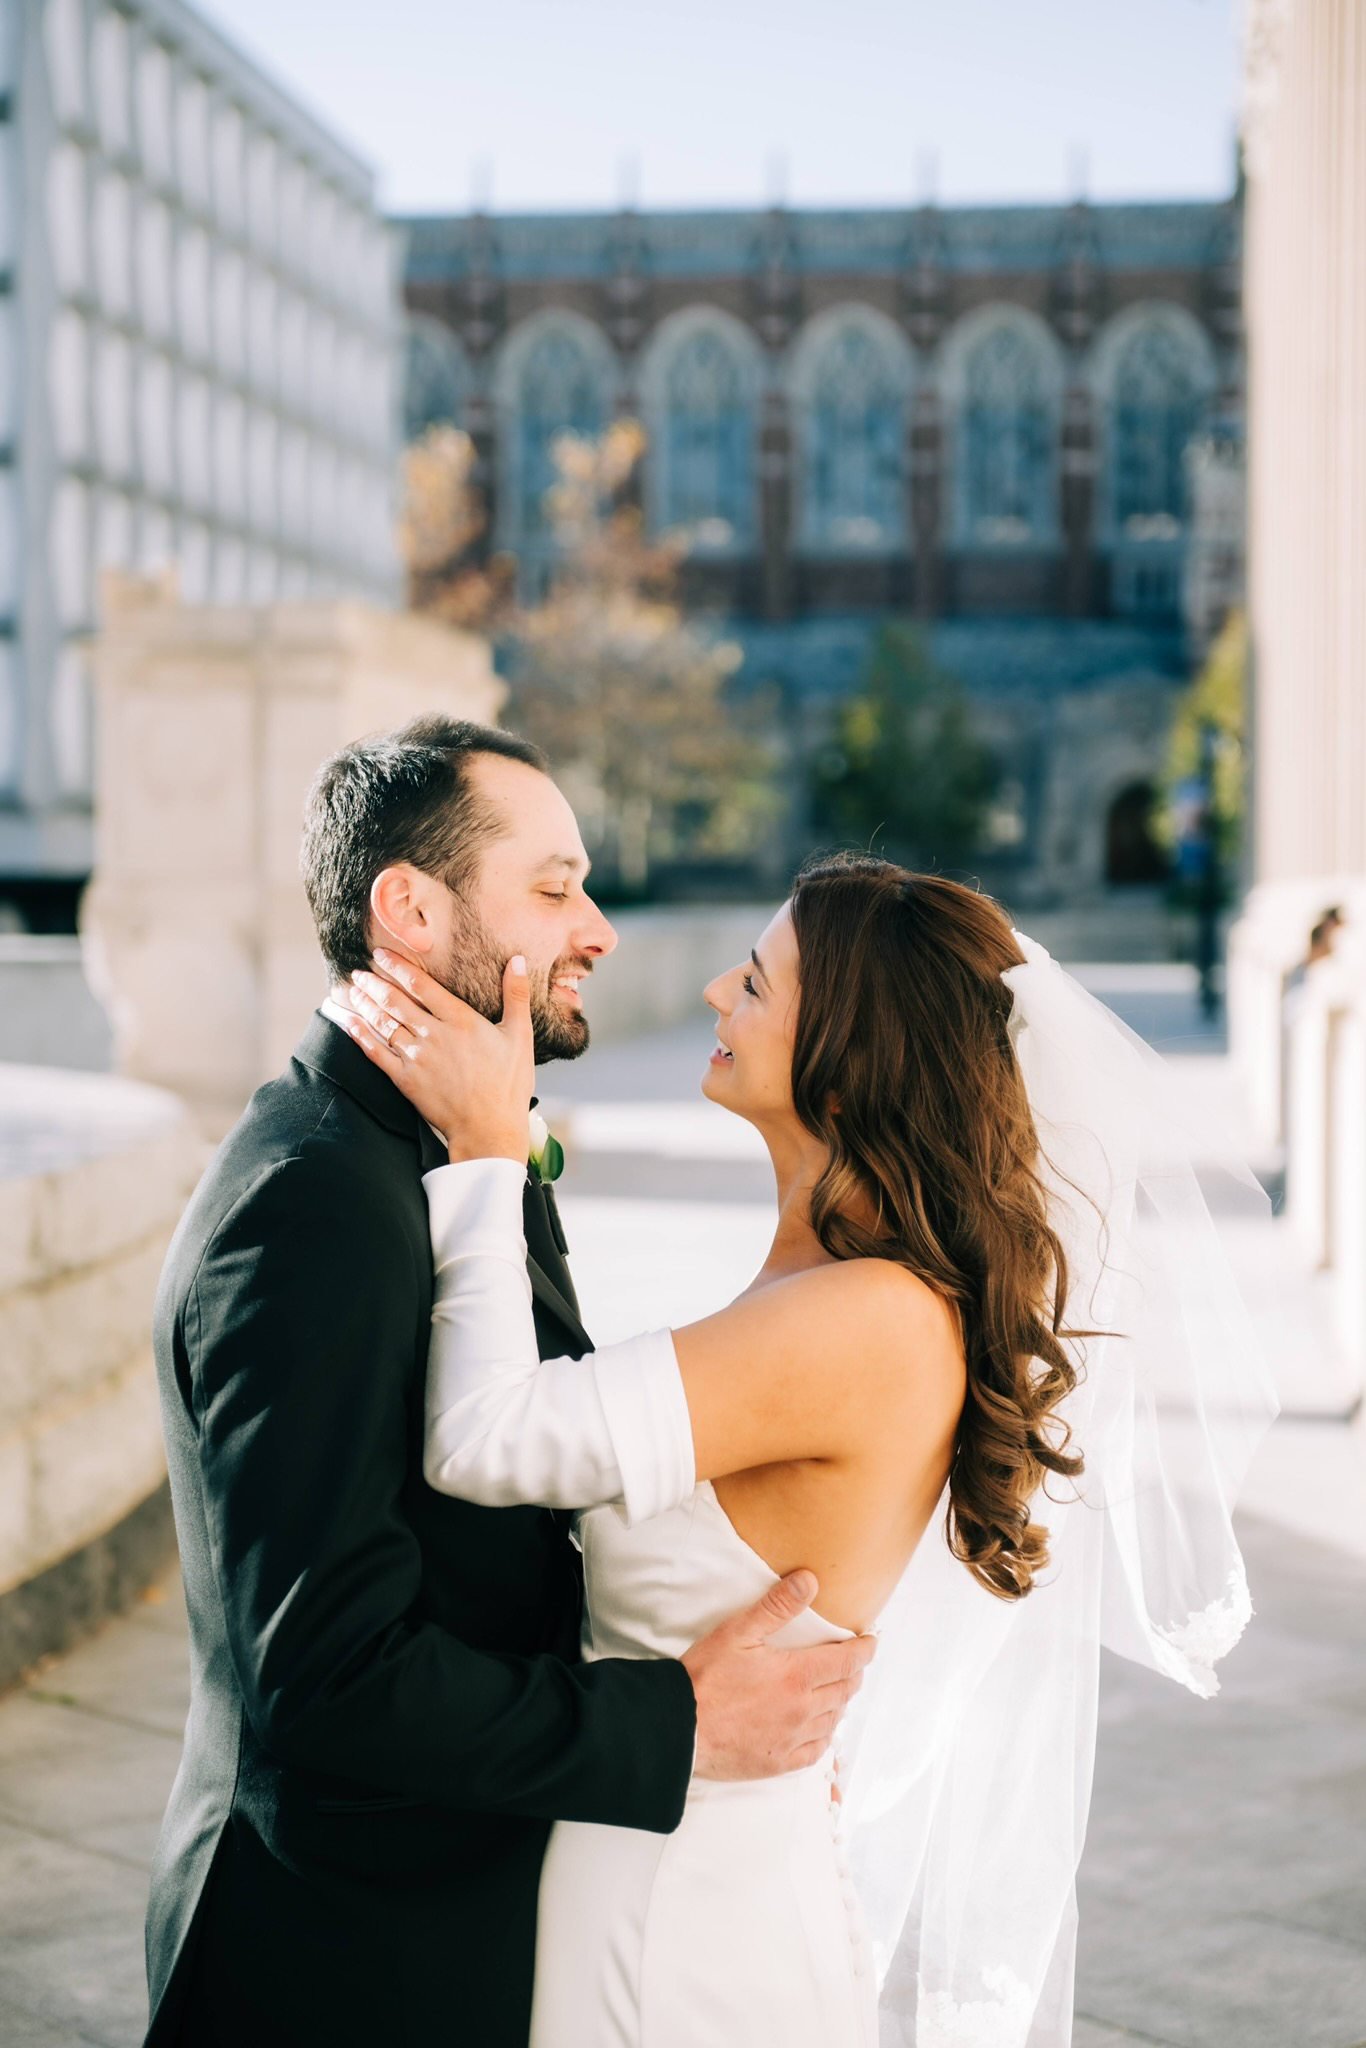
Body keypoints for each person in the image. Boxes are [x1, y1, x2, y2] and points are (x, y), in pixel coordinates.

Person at [340, 848, 1279, 2046]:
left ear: (848, 1065)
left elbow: (487, 1437)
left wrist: (482, 1157)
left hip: (679, 1914)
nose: (712, 997)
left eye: (756, 983)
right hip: (687, 1857)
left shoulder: (864, 1316)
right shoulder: (834, 1281)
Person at [141, 717, 874, 2048]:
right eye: (552, 888)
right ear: (408, 910)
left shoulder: (452, 1144)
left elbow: (526, 1492)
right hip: (341, 1958)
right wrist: (679, 1725)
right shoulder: (313, 1200)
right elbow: (326, 1673)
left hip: (456, 1912)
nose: (595, 928)